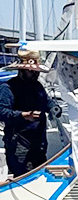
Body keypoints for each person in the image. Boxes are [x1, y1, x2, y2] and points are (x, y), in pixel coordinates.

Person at [1, 50, 51, 181]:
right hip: (19, 142)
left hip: (38, 142)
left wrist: (53, 107)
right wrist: (23, 115)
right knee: (25, 177)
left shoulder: (37, 86)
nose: (35, 74)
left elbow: (46, 101)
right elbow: (1, 111)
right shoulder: (8, 87)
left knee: (39, 175)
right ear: (21, 71)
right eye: (31, 71)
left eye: (36, 71)